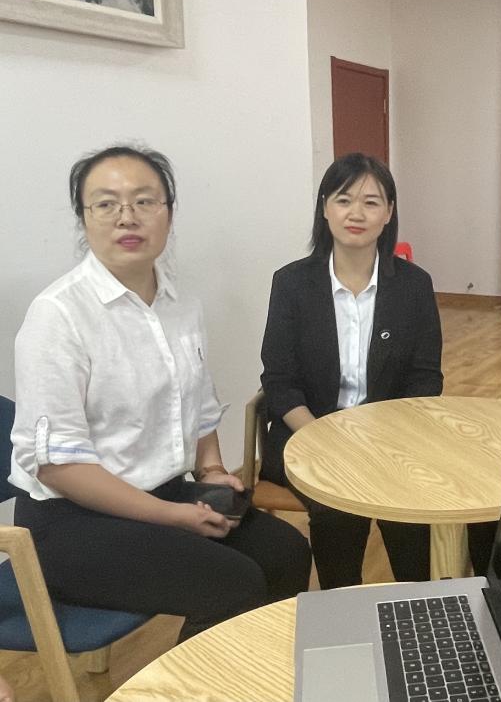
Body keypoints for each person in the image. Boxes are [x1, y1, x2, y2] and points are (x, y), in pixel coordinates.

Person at [9, 146, 311, 643]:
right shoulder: (58, 316)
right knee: (232, 584)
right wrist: (174, 517)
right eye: (105, 204)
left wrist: (211, 472)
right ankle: (199, 681)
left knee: (287, 552)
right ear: (83, 218)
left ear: (168, 212)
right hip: (72, 522)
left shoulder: (180, 302)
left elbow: (198, 406)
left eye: (144, 201)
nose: (126, 216)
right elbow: (58, 466)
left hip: (163, 492)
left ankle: (258, 674)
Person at [260, 153, 442, 589]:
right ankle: (343, 603)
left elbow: (425, 378)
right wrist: (324, 438)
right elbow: (279, 380)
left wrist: (384, 440)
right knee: (336, 501)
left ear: (389, 212)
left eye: (371, 202)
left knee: (408, 497)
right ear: (325, 208)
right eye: (343, 200)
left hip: (391, 436)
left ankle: (417, 602)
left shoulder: (414, 286)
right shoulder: (292, 284)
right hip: (309, 432)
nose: (356, 213)